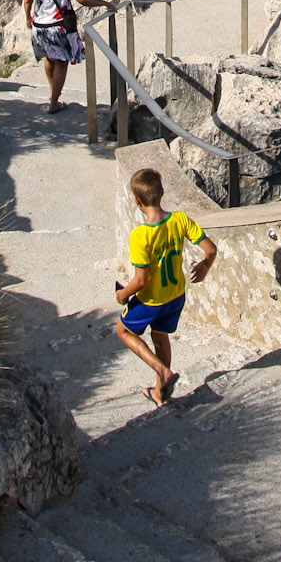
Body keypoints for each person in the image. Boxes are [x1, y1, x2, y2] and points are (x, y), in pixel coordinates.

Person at [115, 166, 217, 406]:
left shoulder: (140, 235)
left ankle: (162, 371)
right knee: (160, 337)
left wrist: (122, 294)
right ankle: (161, 393)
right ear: (162, 191)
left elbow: (141, 280)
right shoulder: (180, 219)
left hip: (152, 299)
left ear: (136, 200)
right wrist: (204, 266)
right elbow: (211, 249)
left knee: (123, 330)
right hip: (176, 295)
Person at [22, 0, 115, 114]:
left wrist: (28, 18)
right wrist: (104, 3)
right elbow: (83, 0)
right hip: (58, 27)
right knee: (62, 62)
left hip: (39, 26)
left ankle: (52, 94)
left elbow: (27, 0)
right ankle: (54, 102)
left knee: (49, 58)